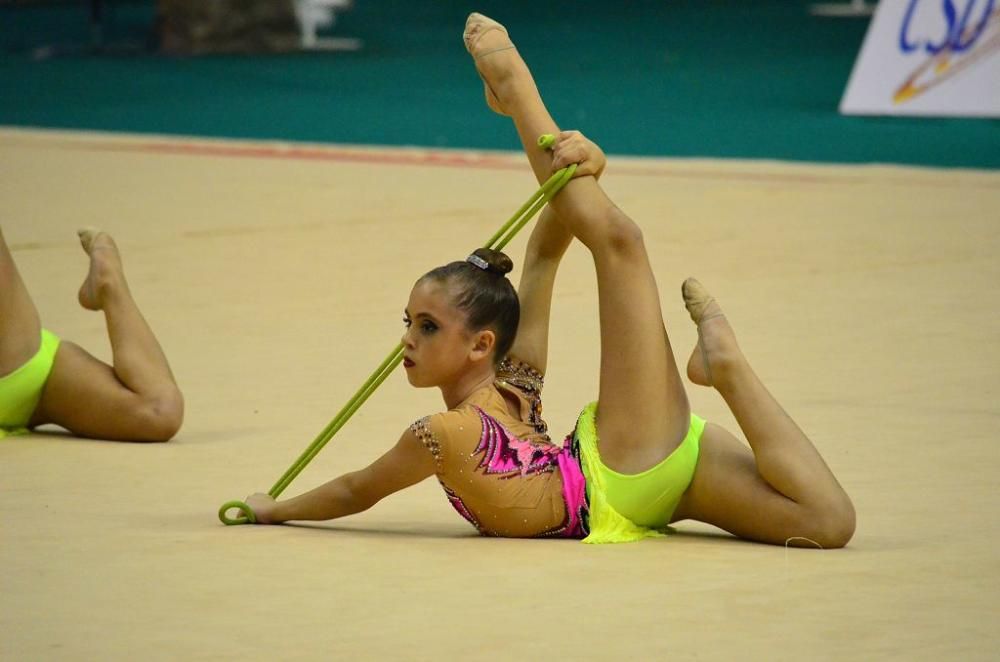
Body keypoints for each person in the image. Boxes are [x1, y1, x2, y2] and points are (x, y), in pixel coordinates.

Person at [244, 13, 855, 547]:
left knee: (622, 243)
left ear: (482, 344)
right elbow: (541, 255)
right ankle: (727, 371)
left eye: (428, 327)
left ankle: (518, 93)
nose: (408, 339)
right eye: (409, 322)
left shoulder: (448, 428)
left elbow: (357, 489)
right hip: (658, 487)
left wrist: (584, 164)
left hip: (624, 464)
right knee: (828, 523)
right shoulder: (515, 385)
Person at [0, 227, 183, 442]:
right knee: (159, 409)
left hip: (19, 366)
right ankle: (109, 284)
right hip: (22, 366)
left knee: (159, 410)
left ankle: (109, 284)